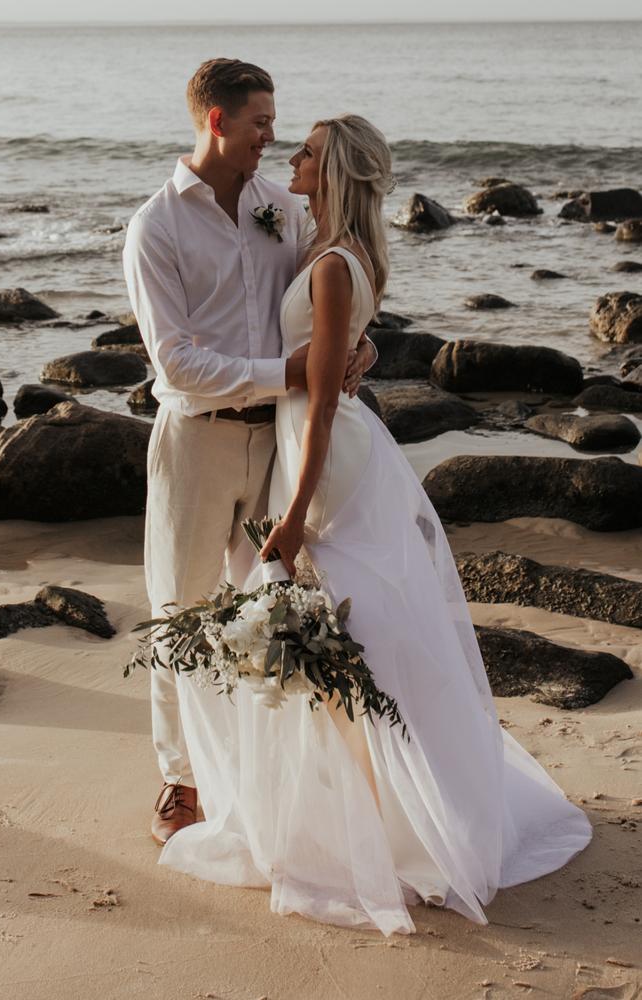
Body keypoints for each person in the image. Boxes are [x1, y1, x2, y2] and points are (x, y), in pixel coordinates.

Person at [158, 114, 593, 935]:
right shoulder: (335, 251)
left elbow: (321, 401)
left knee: (355, 632)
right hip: (331, 444)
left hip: (324, 450)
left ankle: (388, 821)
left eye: (308, 152)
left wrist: (290, 516)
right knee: (368, 633)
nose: (292, 157)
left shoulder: (328, 265)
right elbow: (336, 361)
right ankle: (382, 801)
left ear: (335, 171)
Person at [122, 60, 377, 847]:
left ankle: (256, 762)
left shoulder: (281, 208)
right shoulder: (156, 226)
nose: (274, 136)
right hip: (194, 445)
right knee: (180, 611)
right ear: (217, 122)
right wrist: (294, 373)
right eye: (262, 122)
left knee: (266, 605)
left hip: (277, 440)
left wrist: (354, 349)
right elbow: (176, 364)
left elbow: (322, 298)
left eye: (276, 123)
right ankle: (181, 780)